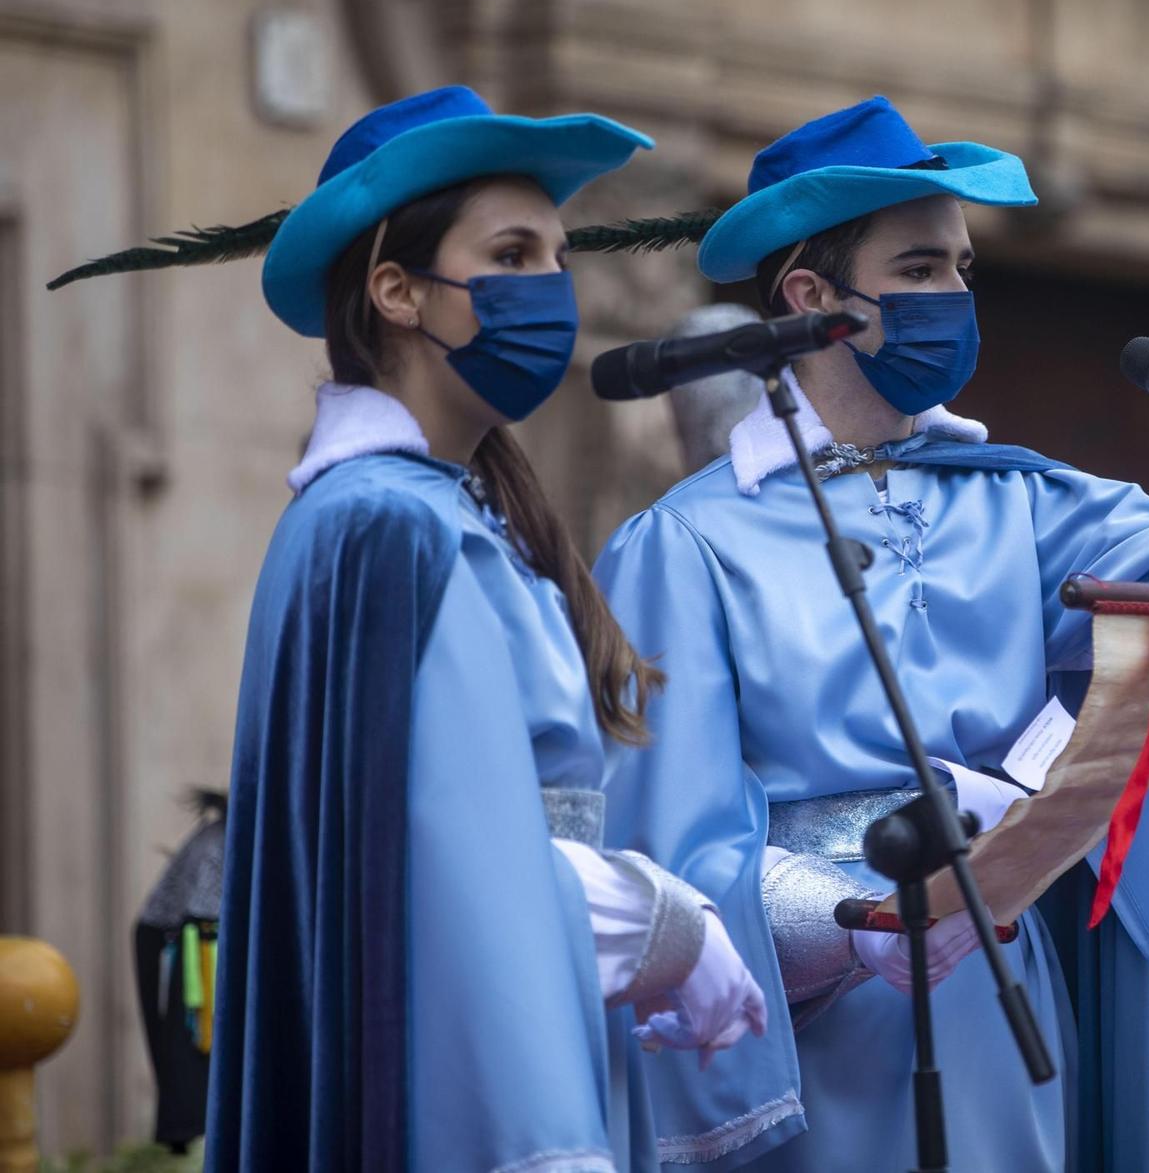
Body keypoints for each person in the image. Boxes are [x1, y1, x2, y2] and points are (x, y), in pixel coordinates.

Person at [588, 96, 1149, 1171]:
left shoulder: (1011, 497)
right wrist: (870, 925)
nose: (953, 297)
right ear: (810, 297)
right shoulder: (678, 544)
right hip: (816, 1039)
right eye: (918, 270)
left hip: (1003, 991)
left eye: (961, 269)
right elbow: (668, 858)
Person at [50, 85, 768, 1173]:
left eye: (558, 257)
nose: (552, 288)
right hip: (476, 1095)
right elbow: (452, 865)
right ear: (396, 289)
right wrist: (661, 921)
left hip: (538, 1037)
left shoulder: (436, 516)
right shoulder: (384, 527)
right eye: (513, 252)